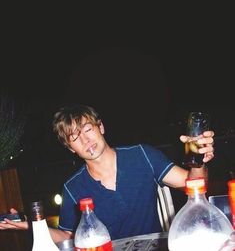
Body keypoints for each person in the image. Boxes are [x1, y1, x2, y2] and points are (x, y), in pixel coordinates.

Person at [0, 104, 214, 243]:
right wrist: (32, 225)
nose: (85, 140)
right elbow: (68, 236)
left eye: (87, 129)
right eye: (74, 137)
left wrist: (198, 159)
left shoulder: (142, 155)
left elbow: (194, 185)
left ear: (100, 127)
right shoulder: (73, 188)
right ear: (70, 148)